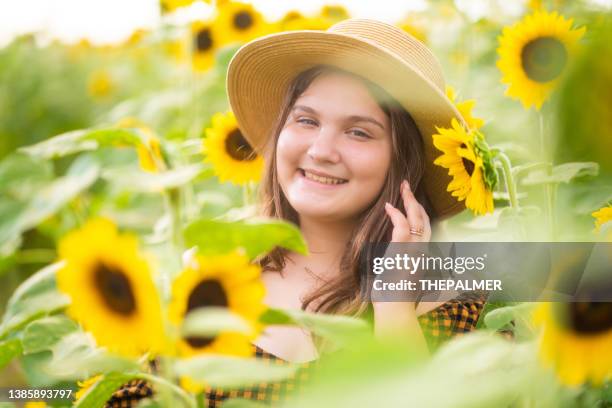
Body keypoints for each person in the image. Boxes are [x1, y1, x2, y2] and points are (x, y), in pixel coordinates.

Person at [108, 18, 486, 407]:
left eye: (359, 131)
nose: (321, 150)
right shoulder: (208, 275)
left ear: (405, 162)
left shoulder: (457, 307)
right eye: (306, 120)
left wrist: (393, 305)